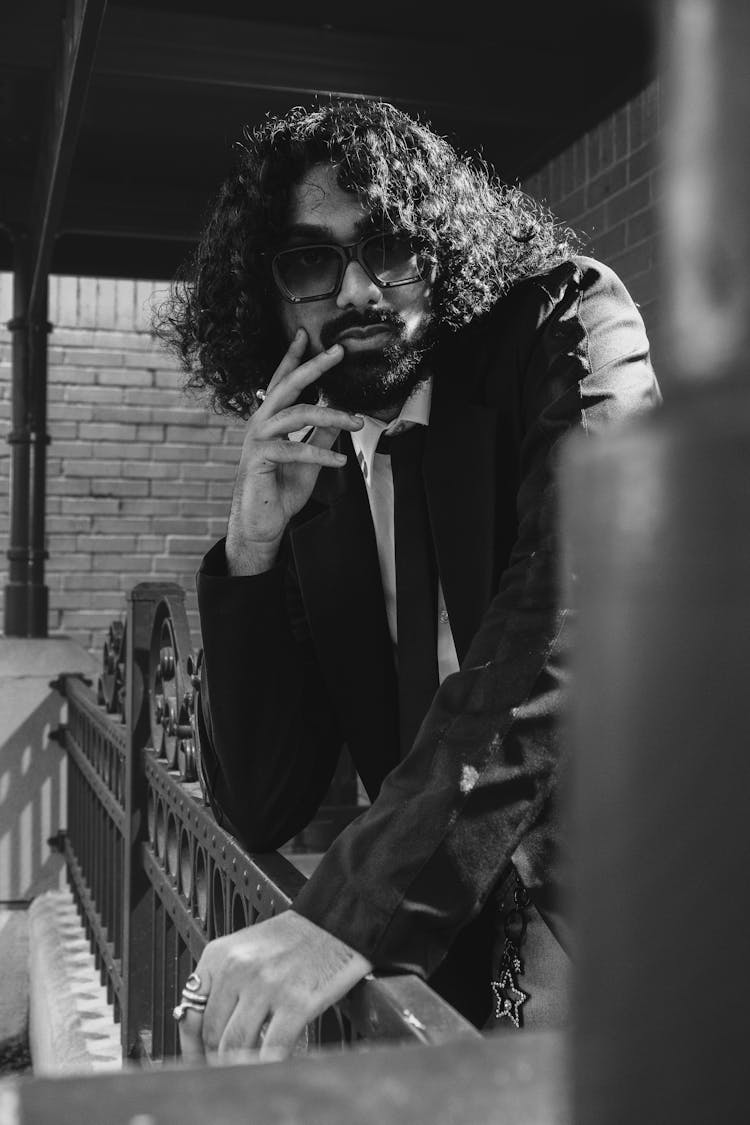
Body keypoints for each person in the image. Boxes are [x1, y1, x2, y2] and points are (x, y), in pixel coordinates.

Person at [155, 98, 661, 1062]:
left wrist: (344, 913)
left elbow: (573, 608)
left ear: (442, 249)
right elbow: (263, 801)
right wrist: (253, 546)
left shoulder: (569, 320)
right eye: (310, 261)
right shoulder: (323, 465)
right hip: (432, 963)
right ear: (268, 300)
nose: (357, 288)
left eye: (388, 246)